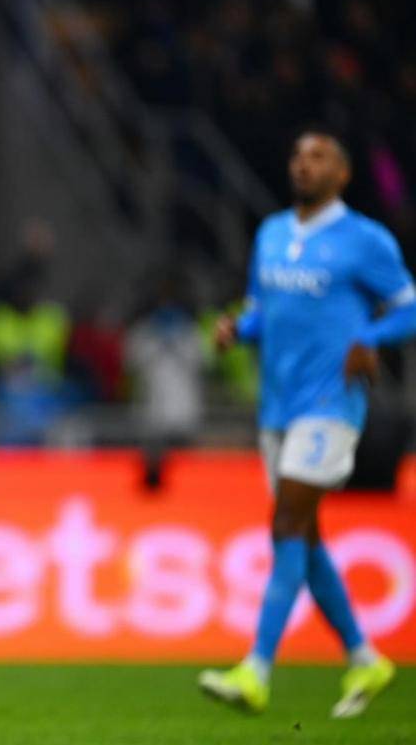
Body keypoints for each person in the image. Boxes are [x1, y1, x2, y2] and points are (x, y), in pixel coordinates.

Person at [199, 128, 412, 717]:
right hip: (277, 407)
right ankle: (364, 657)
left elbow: (409, 306)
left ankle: (256, 669)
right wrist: (238, 329)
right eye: (297, 154)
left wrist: (370, 338)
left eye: (318, 157)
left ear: (342, 174)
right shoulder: (270, 234)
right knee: (305, 536)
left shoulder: (365, 240)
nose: (303, 164)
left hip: (331, 404)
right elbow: (262, 310)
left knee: (287, 520)